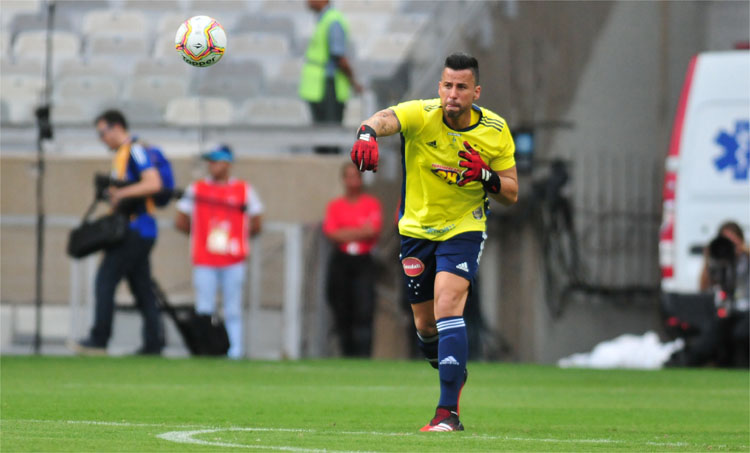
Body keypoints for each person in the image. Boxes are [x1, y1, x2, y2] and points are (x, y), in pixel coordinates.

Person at [350, 53, 518, 431]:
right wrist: (366, 133)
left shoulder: (495, 130)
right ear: (439, 87)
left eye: (461, 87)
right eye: (447, 85)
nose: (452, 94)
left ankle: (447, 413)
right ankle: (447, 361)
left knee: (447, 304)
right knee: (426, 326)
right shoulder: (420, 114)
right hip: (416, 230)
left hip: (463, 228)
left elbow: (510, 193)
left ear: (476, 91)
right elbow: (382, 118)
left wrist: (486, 177)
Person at [70, 110, 165, 355]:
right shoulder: (121, 156)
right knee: (141, 287)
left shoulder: (135, 150)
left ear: (116, 127)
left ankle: (99, 338)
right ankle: (154, 343)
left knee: (105, 280)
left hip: (135, 229)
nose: (102, 139)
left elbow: (153, 183)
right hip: (137, 229)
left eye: (103, 132)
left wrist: (120, 194)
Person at [174, 145, 263, 360]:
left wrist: (236, 237)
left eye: (217, 161)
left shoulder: (243, 189)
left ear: (228, 162)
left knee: (232, 308)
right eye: (210, 161)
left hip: (233, 258)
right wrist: (201, 236)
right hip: (205, 258)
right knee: (204, 307)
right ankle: (206, 348)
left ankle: (234, 350)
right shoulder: (197, 189)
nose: (212, 166)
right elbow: (181, 219)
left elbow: (257, 220)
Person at [322, 162, 382, 357]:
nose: (352, 180)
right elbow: (332, 233)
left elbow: (372, 230)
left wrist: (346, 232)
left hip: (363, 260)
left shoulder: (371, 203)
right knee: (342, 307)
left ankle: (364, 354)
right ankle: (346, 354)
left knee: (364, 308)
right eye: (348, 176)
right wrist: (359, 231)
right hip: (342, 260)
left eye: (355, 176)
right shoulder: (335, 205)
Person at [300, 0, 362, 154]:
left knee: (329, 136)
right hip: (321, 86)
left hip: (328, 85)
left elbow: (339, 57)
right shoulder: (324, 19)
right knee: (322, 136)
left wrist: (353, 82)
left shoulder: (332, 21)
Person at [698, 221, 749, 367]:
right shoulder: (719, 261)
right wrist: (708, 259)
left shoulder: (746, 258)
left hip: (746, 311)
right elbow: (703, 287)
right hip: (726, 311)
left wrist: (744, 250)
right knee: (707, 341)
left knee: (741, 332)